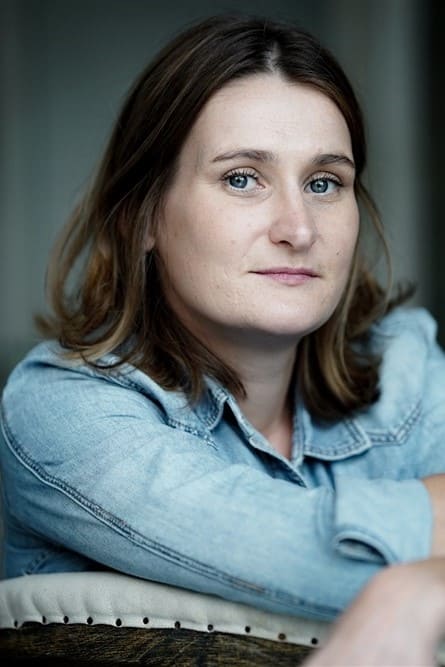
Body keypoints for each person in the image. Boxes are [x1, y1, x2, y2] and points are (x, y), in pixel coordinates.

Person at [1, 14, 445, 665]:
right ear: (143, 216)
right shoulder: (59, 411)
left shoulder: (404, 363)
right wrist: (415, 584)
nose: (298, 228)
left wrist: (421, 588)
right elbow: (304, 552)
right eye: (242, 178)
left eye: (324, 183)